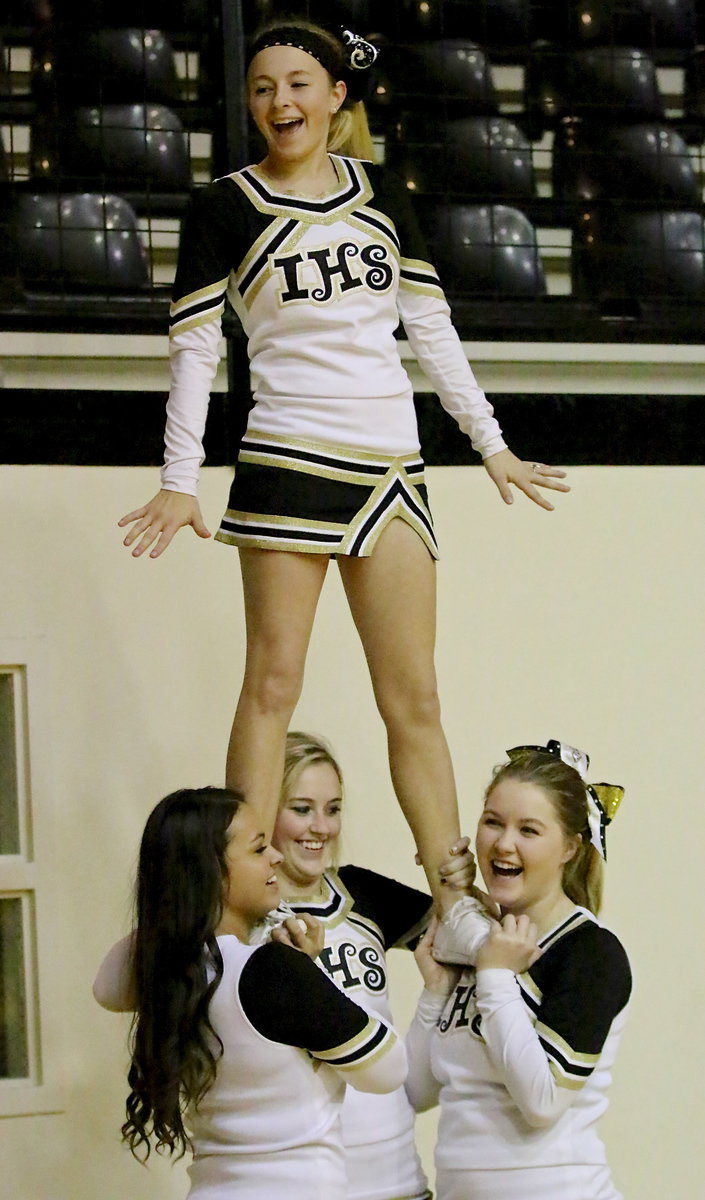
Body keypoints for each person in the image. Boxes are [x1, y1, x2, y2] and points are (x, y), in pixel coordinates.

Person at [116, 19, 570, 913]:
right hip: (287, 454)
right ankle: (248, 892)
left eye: (296, 84)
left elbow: (429, 332)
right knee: (271, 685)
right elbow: (194, 351)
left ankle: (453, 901)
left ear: (335, 97)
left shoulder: (383, 193)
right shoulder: (223, 207)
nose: (279, 101)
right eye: (261, 88)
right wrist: (179, 477)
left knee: (415, 698)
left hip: (391, 463)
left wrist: (490, 442)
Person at [93, 731, 475, 1200]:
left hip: (391, 1177)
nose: (321, 827)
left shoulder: (361, 892)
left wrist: (450, 868)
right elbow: (111, 989)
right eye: (301, 809)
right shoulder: (235, 932)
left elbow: (467, 937)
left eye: (333, 809)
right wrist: (187, 886)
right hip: (301, 1176)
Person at [405, 740, 632, 1200]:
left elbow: (543, 1102)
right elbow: (416, 1092)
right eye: (492, 822)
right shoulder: (478, 941)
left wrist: (493, 977)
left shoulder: (591, 953)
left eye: (529, 830)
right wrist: (435, 992)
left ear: (570, 846)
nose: (503, 843)